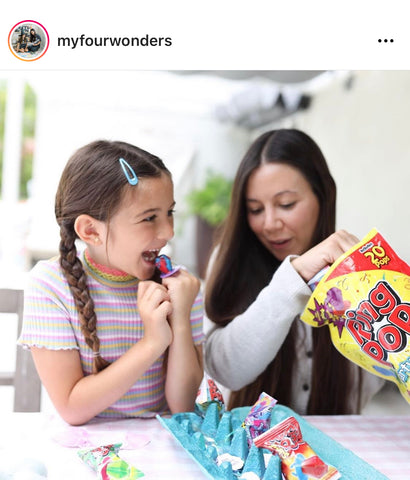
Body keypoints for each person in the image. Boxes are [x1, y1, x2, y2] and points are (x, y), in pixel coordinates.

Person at [18, 140, 204, 425]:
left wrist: (178, 317)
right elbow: (71, 408)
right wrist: (152, 342)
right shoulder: (51, 285)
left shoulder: (180, 286)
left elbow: (183, 406)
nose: (168, 231)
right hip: (86, 453)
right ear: (91, 230)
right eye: (149, 218)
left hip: (161, 451)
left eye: (169, 212)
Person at [204, 128, 384, 415]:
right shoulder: (230, 259)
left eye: (286, 204)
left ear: (323, 196)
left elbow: (379, 373)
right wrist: (294, 278)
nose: (269, 223)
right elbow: (227, 370)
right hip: (251, 451)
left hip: (337, 450)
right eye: (255, 209)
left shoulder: (357, 266)